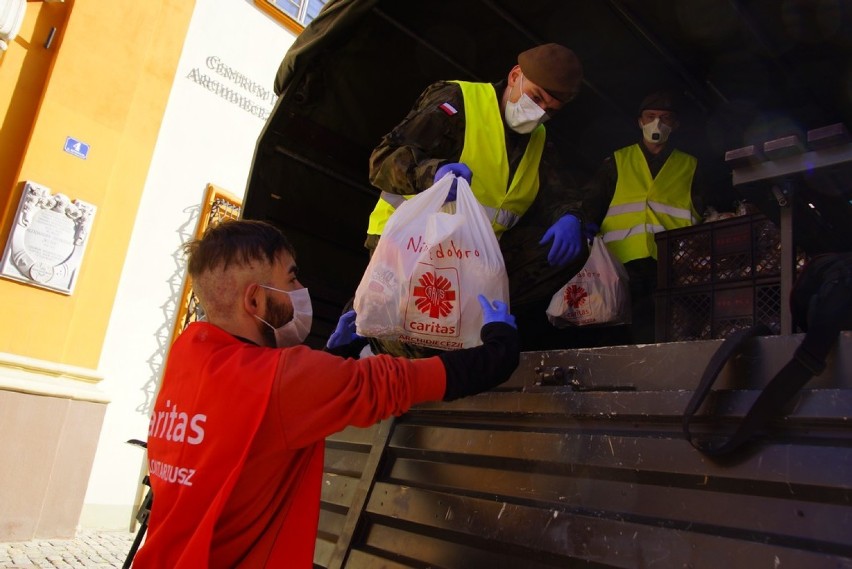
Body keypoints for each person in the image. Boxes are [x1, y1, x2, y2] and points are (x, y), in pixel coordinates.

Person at [132, 219, 519, 568]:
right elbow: (404, 382)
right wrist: (499, 346)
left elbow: (265, 415)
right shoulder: (282, 380)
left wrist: (332, 360)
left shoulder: (189, 353)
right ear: (254, 300)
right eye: (291, 280)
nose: (302, 290)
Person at [364, 42, 594, 352]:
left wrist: (571, 217)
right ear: (515, 76)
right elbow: (383, 160)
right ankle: (375, 345)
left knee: (569, 248)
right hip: (408, 247)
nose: (539, 112)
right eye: (535, 97)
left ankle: (476, 321)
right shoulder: (455, 101)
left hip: (471, 261)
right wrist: (435, 173)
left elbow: (559, 193)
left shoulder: (539, 142)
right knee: (415, 346)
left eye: (550, 110)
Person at [582, 90, 706, 344]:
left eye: (665, 117)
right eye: (650, 116)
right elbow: (590, 203)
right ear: (640, 121)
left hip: (673, 265)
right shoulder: (617, 161)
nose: (656, 123)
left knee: (667, 330)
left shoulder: (690, 166)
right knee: (618, 329)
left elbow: (705, 212)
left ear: (676, 124)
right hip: (621, 264)